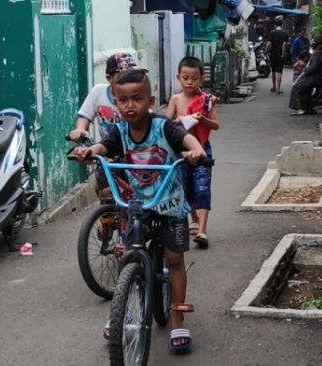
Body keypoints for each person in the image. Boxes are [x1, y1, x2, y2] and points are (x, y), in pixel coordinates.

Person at [73, 69, 207, 353]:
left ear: (151, 100)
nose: (129, 105)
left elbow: (187, 139)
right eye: (122, 100)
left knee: (173, 259)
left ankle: (177, 317)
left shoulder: (163, 127)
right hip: (137, 206)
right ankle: (126, 313)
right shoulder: (119, 130)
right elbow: (104, 145)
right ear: (116, 103)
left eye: (137, 98)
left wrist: (196, 152)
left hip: (169, 205)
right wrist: (89, 151)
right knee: (128, 252)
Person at [68, 53, 145, 199]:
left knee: (139, 194)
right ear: (109, 78)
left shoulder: (137, 96)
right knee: (106, 193)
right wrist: (80, 129)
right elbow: (85, 116)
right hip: (107, 152)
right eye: (122, 75)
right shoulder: (98, 92)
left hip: (133, 152)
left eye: (131, 75)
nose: (127, 80)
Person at [166, 56, 220, 248]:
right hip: (181, 151)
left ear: (201, 78)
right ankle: (194, 219)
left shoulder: (206, 101)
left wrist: (202, 119)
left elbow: (216, 124)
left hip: (202, 149)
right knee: (186, 188)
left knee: (203, 188)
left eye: (194, 78)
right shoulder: (175, 99)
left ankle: (203, 230)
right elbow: (165, 124)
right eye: (185, 77)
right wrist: (179, 121)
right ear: (178, 77)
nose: (189, 82)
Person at [289, 34, 322, 116]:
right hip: (321, 78)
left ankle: (301, 108)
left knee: (296, 87)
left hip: (316, 78)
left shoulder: (318, 53)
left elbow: (313, 68)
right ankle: (307, 107)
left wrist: (306, 71)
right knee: (303, 87)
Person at [266, 16, 289, 94]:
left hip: (273, 54)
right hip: (281, 55)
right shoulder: (285, 33)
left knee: (273, 70)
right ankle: (279, 89)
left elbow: (269, 44)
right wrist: (283, 53)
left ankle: (274, 87)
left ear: (275, 25)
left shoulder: (272, 33)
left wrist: (267, 50)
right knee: (279, 71)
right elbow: (284, 44)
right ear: (282, 24)